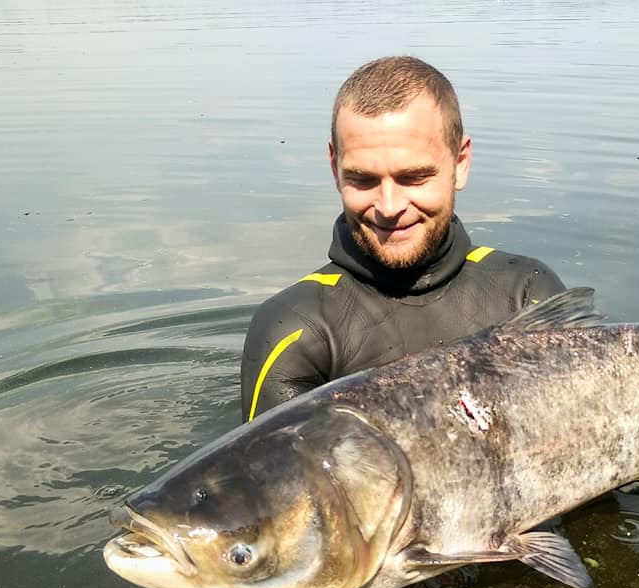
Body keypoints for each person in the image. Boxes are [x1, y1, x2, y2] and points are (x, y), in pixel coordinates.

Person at [241, 56, 566, 422]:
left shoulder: (525, 295)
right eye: (363, 179)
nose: (390, 207)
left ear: (460, 162)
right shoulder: (295, 328)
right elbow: (270, 475)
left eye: (414, 177)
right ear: (335, 168)